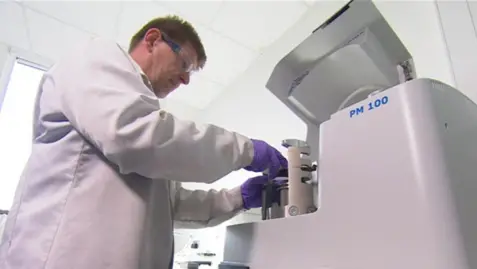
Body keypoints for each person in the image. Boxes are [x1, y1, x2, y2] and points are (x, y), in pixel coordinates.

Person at [0, 15, 287, 269]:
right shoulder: (96, 57)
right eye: (184, 63)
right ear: (152, 40)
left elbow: (172, 205)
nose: (186, 79)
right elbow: (132, 134)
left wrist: (238, 197)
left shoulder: (144, 127)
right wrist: (246, 150)